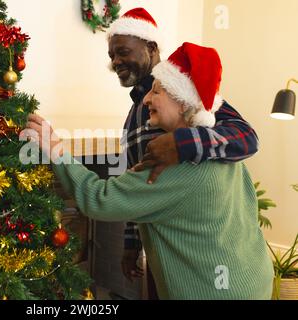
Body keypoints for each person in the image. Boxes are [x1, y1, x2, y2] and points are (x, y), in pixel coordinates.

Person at [25, 43, 273, 300]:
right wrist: (132, 243)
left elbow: (99, 199)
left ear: (182, 101)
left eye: (156, 91)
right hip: (253, 279)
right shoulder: (222, 152)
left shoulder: (171, 167)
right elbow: (139, 197)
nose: (146, 100)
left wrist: (55, 148)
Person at [106, 8, 260, 296]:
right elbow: (133, 181)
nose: (116, 61)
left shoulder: (186, 89)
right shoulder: (132, 116)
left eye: (123, 51)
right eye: (112, 55)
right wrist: (131, 244)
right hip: (160, 254)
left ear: (150, 48)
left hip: (202, 263)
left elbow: (247, 136)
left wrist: (183, 143)